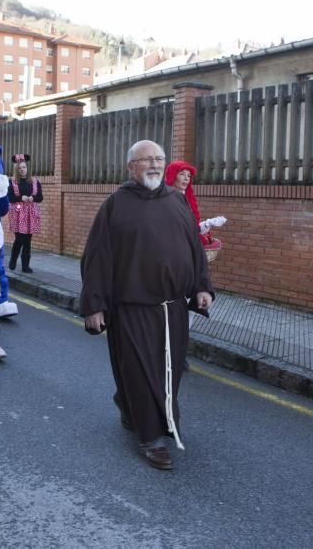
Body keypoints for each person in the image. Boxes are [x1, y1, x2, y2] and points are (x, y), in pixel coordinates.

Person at [80, 140, 214, 470]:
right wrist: (94, 305)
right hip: (131, 308)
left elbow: (194, 250)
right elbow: (97, 258)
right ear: (130, 167)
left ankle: (129, 405)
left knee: (171, 372)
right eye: (146, 160)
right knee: (141, 371)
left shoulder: (176, 201)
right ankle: (151, 438)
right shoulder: (116, 205)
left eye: (159, 159)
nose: (154, 165)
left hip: (173, 308)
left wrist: (201, 287)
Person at [164, 161, 227, 247]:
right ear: (172, 175)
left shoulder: (187, 199)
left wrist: (207, 224)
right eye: (182, 174)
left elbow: (191, 229)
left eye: (189, 176)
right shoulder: (164, 200)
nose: (186, 178)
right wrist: (206, 225)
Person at [7, 152, 43, 273]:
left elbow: (40, 198)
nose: (22, 170)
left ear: (27, 168)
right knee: (20, 239)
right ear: (16, 169)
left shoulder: (34, 182)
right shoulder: (12, 182)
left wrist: (33, 198)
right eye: (20, 168)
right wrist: (20, 198)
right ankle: (13, 258)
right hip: (18, 214)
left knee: (28, 240)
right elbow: (9, 197)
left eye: (24, 167)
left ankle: (25, 266)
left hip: (31, 214)